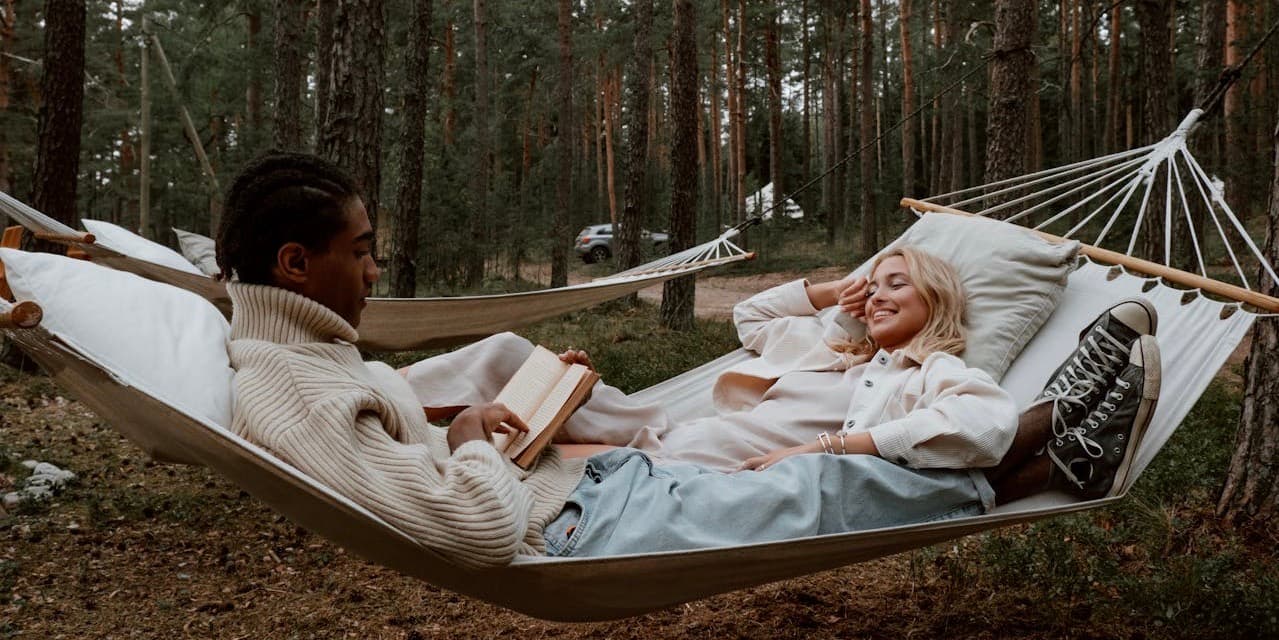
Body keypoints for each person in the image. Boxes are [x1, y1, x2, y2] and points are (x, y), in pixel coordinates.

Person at [218, 152, 1160, 568]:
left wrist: (466, 425)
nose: (378, 268)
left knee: (836, 482)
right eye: (364, 249)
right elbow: (464, 528)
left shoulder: (304, 360)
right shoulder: (289, 380)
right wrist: (468, 434)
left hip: (614, 478)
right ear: (295, 264)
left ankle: (1052, 443)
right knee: (827, 490)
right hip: (597, 501)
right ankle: (1049, 434)